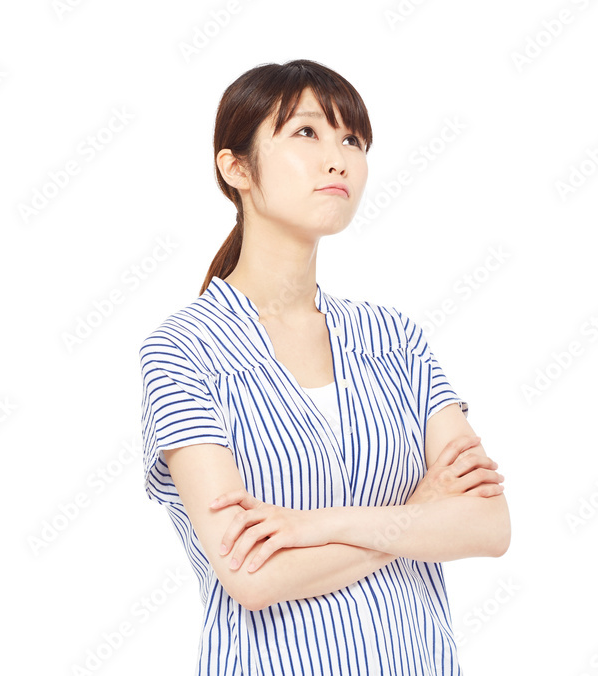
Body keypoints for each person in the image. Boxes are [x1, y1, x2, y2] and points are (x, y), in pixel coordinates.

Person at [139, 58, 510, 675]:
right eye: (307, 132)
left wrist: (316, 527)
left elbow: (489, 526)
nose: (338, 159)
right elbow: (252, 577)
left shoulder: (394, 338)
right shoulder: (184, 350)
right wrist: (420, 511)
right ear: (236, 168)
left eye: (353, 140)